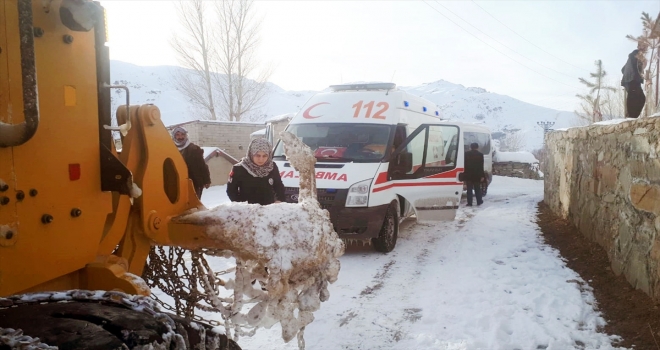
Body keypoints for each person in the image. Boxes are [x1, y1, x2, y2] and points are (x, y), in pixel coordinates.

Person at [227, 138, 285, 205]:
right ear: (251, 153)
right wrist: (241, 206)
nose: (261, 159)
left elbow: (278, 186)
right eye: (257, 155)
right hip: (247, 211)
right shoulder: (239, 168)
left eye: (265, 156)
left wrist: (279, 200)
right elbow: (231, 191)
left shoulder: (272, 166)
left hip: (268, 210)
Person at [172, 126, 211, 199]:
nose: (180, 137)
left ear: (186, 135)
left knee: (193, 203)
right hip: (177, 182)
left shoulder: (194, 149)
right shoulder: (171, 149)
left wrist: (206, 180)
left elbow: (202, 165)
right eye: (177, 135)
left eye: (182, 134)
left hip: (194, 181)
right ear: (174, 136)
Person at [621, 42, 647, 119]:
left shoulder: (637, 56)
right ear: (638, 46)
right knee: (633, 97)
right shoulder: (635, 54)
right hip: (632, 79)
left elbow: (623, 69)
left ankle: (633, 116)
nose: (644, 48)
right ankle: (631, 117)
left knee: (641, 98)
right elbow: (635, 66)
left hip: (634, 80)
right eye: (643, 46)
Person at [464, 142, 484, 206]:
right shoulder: (480, 155)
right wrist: (482, 176)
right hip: (477, 175)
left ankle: (469, 203)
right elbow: (481, 166)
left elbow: (465, 165)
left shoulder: (466, 154)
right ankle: (479, 201)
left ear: (471, 147)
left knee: (469, 190)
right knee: (477, 189)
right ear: (477, 147)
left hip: (469, 175)